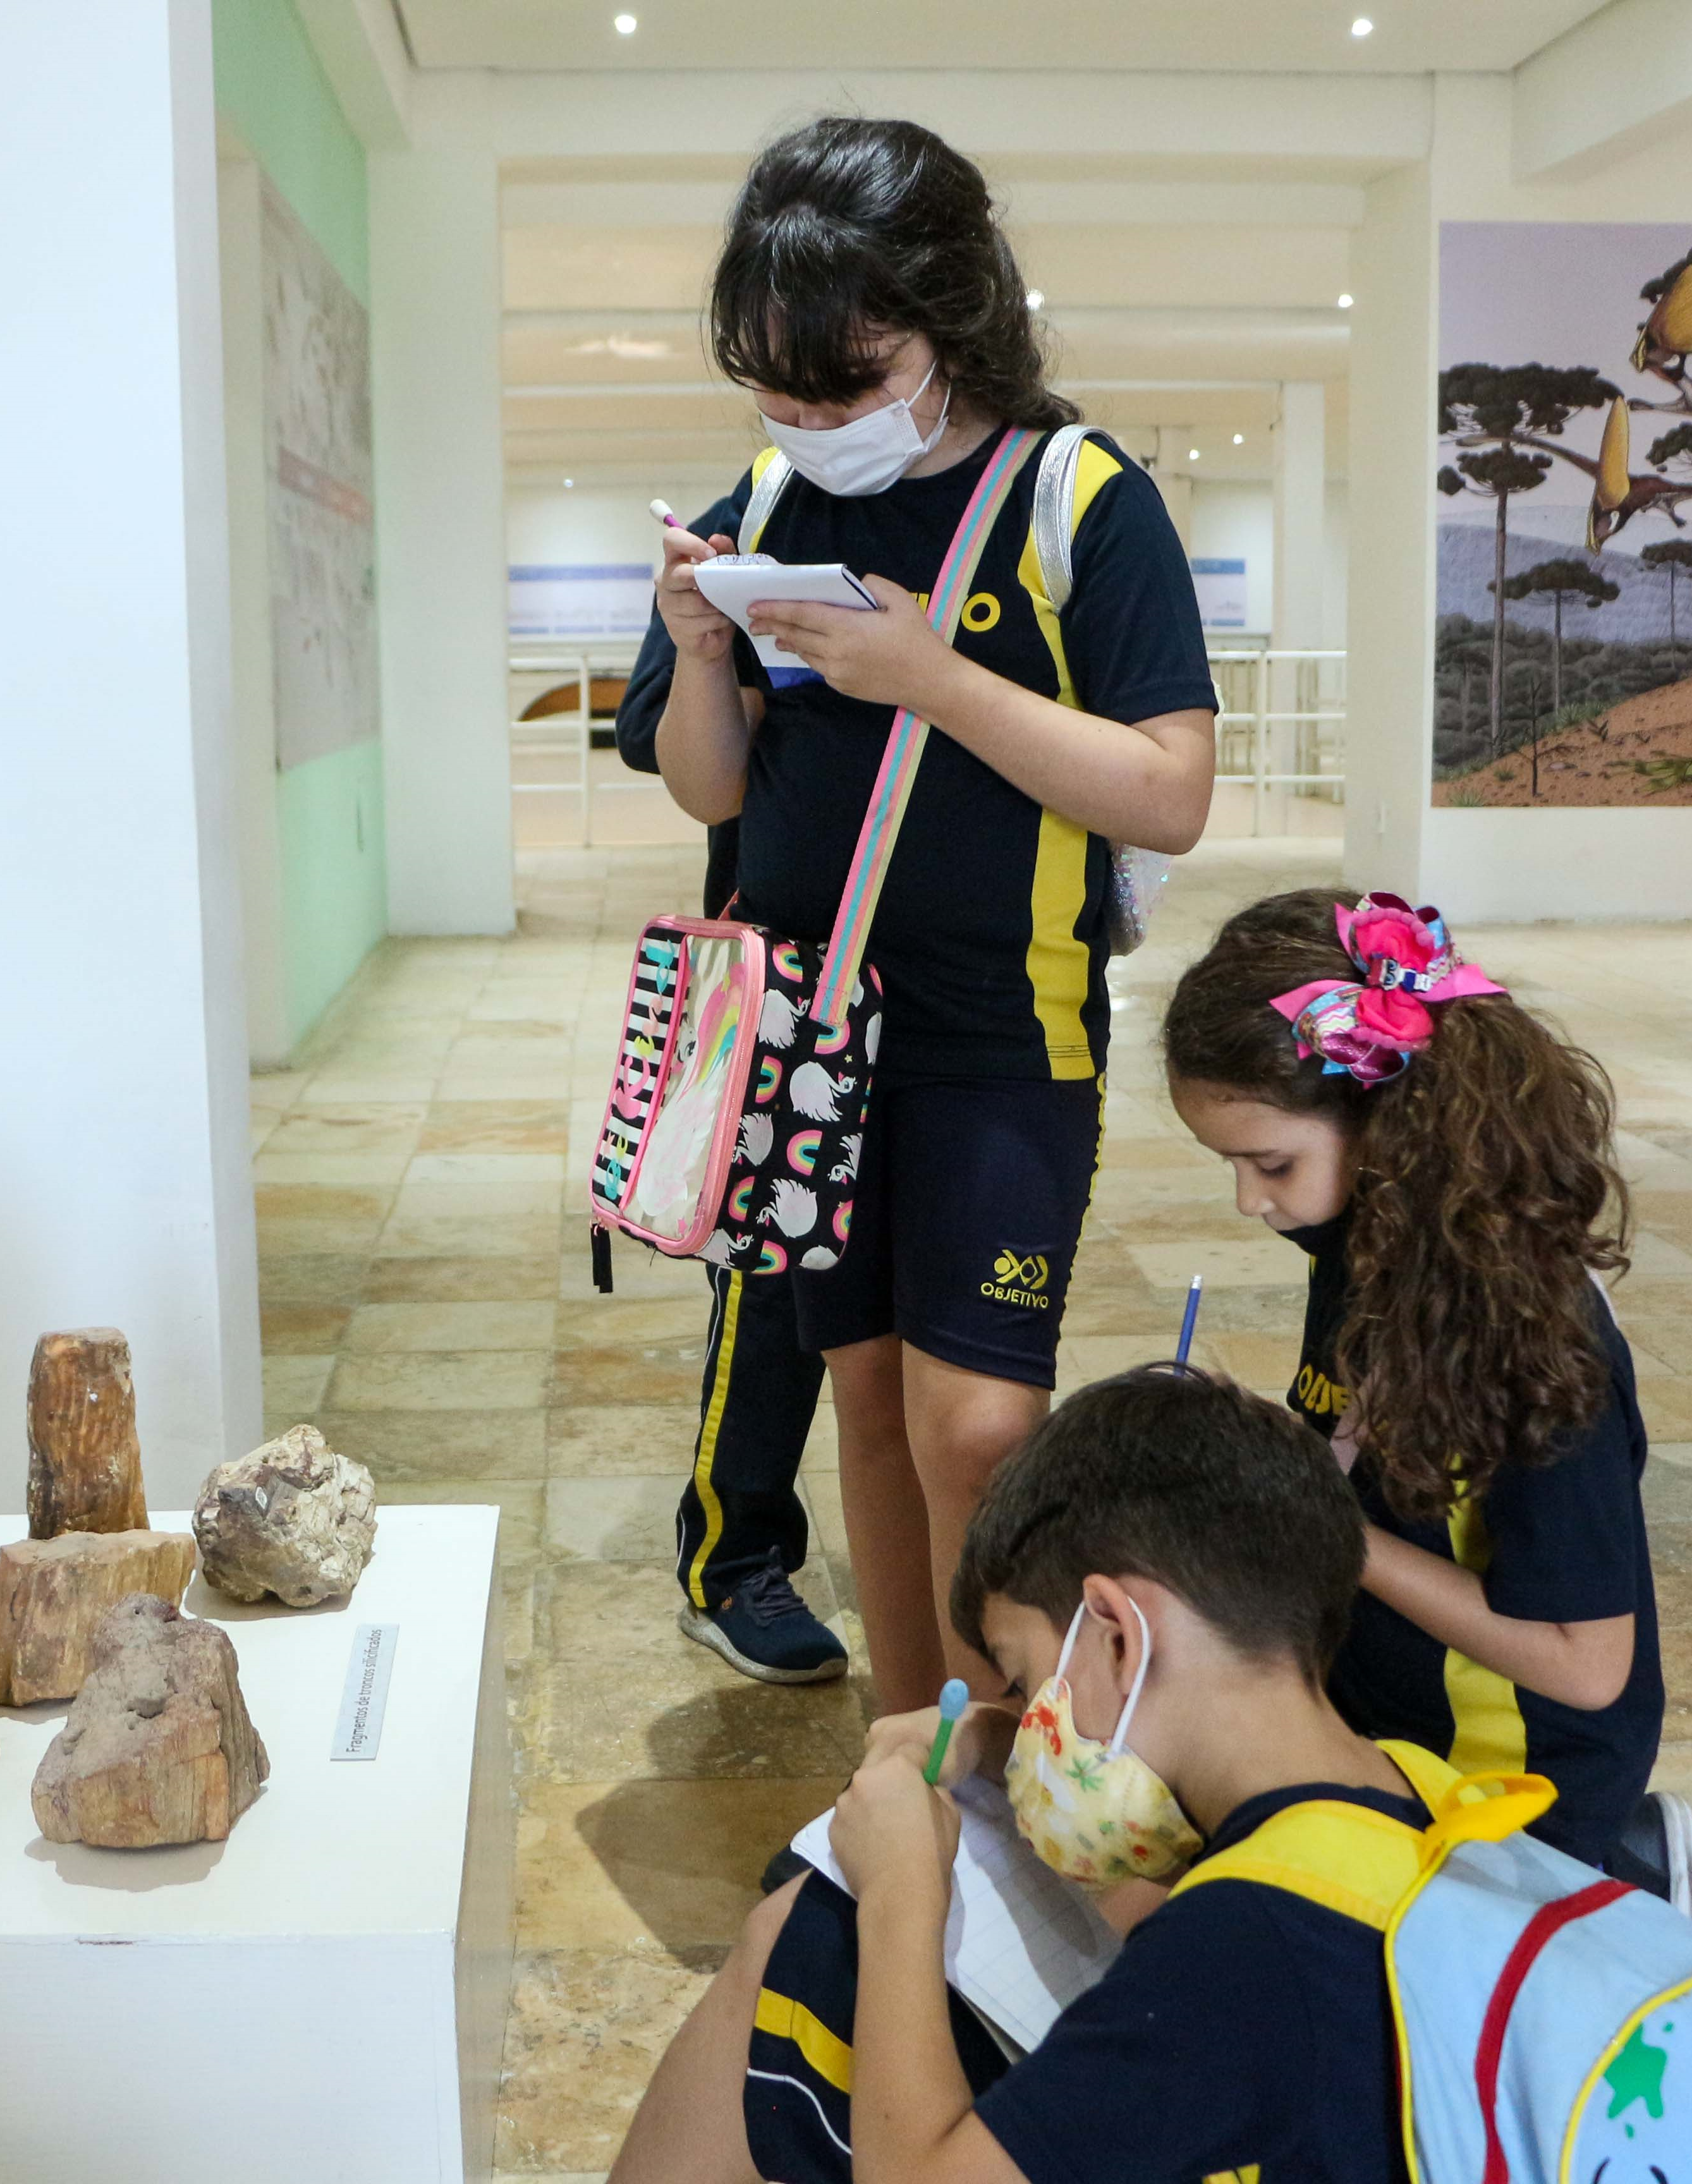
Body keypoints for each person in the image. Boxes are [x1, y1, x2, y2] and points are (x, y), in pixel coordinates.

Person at [652, 116, 1220, 1714]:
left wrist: (933, 678)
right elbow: (708, 792)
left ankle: (1006, 1756)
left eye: (848, 376)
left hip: (1000, 1031)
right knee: (868, 1396)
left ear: (953, 319)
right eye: (774, 382)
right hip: (809, 1036)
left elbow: (1168, 790)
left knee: (979, 1426)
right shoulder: (767, 493)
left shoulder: (1077, 497)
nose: (809, 417)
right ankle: (916, 1758)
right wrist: (702, 650)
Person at [607, 1366, 1446, 2184]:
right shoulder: (1412, 1789)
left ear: (1117, 1630)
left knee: (819, 1935)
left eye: (1024, 1675)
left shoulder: (1247, 1945)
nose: (1038, 1718)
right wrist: (1007, 1740)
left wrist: (903, 1885)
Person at [1160, 890, 1692, 1913]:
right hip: (1387, 1708)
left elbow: (1587, 1667)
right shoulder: (1362, 1240)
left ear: (1386, 1125)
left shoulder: (1529, 1339)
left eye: (1269, 1163)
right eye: (1230, 1165)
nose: (1248, 1201)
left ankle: (1617, 1873)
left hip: (1511, 1781)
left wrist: (1338, 1538)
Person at [611, 505, 849, 1687]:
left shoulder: (1009, 521)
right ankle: (733, 1558)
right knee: (771, 1289)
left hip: (970, 992)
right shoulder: (743, 528)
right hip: (792, 980)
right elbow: (678, 758)